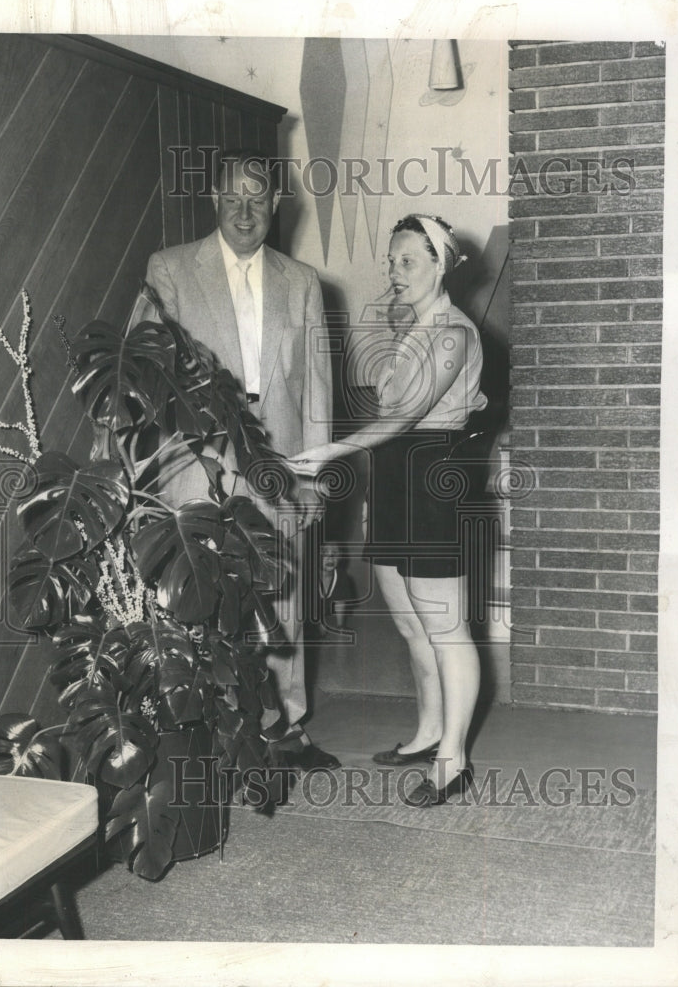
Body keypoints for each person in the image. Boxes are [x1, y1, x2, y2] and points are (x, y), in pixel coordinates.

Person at [130, 148, 340, 772]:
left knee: (284, 596)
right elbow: (142, 372)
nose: (244, 210)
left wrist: (317, 479)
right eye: (232, 197)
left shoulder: (302, 281)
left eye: (258, 198)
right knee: (205, 598)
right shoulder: (169, 270)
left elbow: (317, 388)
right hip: (198, 463)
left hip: (281, 460)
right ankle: (215, 732)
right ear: (213, 200)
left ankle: (287, 729)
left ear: (276, 205)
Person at [292, 213, 487, 806]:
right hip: (396, 477)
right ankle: (429, 732)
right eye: (391, 261)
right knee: (408, 622)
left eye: (408, 261)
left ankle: (453, 760)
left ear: (442, 264)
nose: (394, 272)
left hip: (434, 478)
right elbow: (384, 411)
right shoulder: (409, 333)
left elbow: (403, 418)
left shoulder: (455, 333)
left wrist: (329, 451)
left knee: (447, 628)